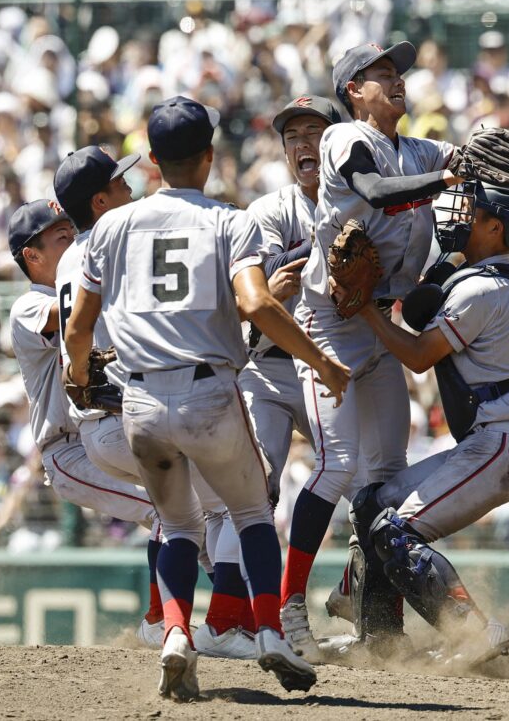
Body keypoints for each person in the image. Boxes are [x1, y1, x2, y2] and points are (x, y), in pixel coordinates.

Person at [280, 40, 509, 659]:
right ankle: (288, 608)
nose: (396, 82)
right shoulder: (345, 139)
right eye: (381, 74)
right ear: (353, 92)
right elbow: (375, 192)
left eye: (399, 73)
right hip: (335, 319)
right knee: (340, 465)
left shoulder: (422, 150)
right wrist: (449, 178)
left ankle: (378, 631)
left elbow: (506, 166)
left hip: (376, 318)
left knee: (382, 487)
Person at [63, 95, 349, 701]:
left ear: (152, 165)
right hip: (210, 394)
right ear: (210, 156)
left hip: (139, 401)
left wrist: (76, 369)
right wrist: (320, 359)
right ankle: (269, 632)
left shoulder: (112, 225)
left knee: (176, 524)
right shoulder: (229, 219)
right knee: (250, 514)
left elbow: (79, 327)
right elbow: (255, 303)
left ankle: (174, 634)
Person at [331, 179, 509, 664]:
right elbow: (426, 300)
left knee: (395, 530)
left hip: (504, 442)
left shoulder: (482, 289)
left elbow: (418, 356)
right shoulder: (482, 277)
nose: (459, 215)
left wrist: (366, 308)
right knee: (370, 506)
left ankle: (474, 634)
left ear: (494, 228)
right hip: (493, 440)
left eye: (473, 210)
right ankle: (380, 639)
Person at [53, 146, 255, 659]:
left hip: (100, 423)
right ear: (100, 201)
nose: (130, 185)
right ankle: (230, 624)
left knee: (178, 512)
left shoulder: (74, 255)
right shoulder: (117, 243)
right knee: (238, 505)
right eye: (119, 183)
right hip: (132, 410)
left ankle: (167, 622)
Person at [6, 199, 161, 634]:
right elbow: (68, 313)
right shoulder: (28, 307)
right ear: (31, 257)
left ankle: (210, 615)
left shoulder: (82, 281)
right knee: (169, 508)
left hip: (107, 432)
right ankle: (159, 620)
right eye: (59, 237)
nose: (71, 238)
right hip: (68, 453)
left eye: (70, 230)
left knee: (190, 509)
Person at [239, 96, 341, 506]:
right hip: (270, 368)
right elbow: (260, 273)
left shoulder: (364, 202)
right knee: (255, 485)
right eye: (292, 137)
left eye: (313, 133)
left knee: (365, 479)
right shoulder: (269, 208)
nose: (302, 144)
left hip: (336, 361)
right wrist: (330, 245)